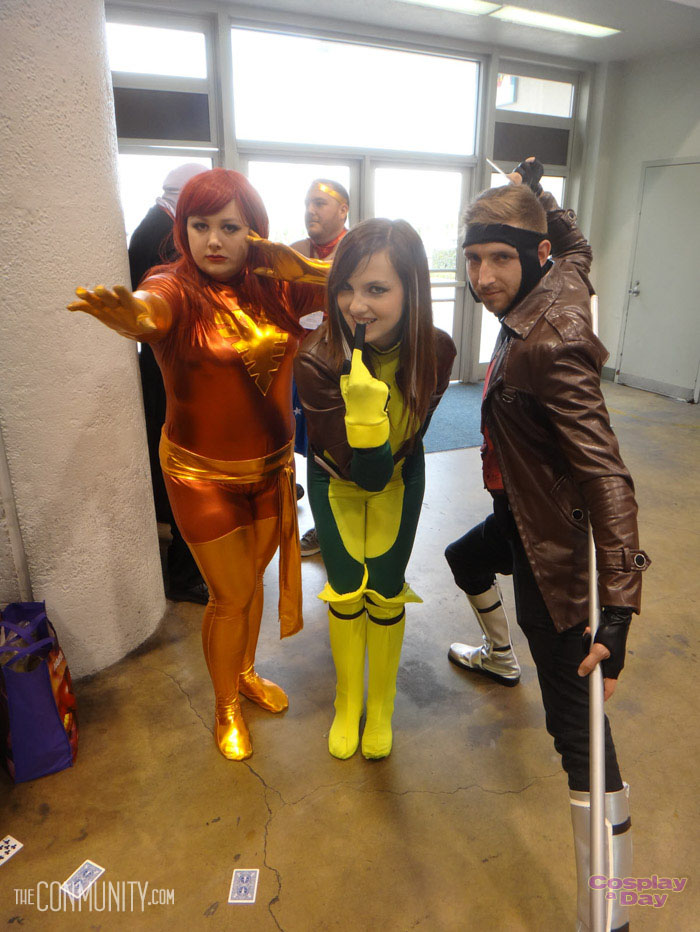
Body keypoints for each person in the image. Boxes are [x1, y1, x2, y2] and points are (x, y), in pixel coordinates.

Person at [443, 158, 650, 931]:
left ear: (530, 260)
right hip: (514, 506)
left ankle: (609, 920)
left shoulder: (552, 343)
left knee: (580, 733)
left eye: (499, 258)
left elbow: (606, 478)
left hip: (551, 550)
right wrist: (538, 193)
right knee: (464, 558)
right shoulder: (566, 275)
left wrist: (619, 610)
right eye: (472, 259)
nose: (483, 276)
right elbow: (576, 241)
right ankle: (498, 657)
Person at [68, 168, 329, 761]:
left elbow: (367, 281)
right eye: (199, 225)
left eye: (230, 226)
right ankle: (225, 706)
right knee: (230, 595)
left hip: (271, 471)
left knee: (251, 585)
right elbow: (150, 310)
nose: (213, 239)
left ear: (254, 231)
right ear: (182, 229)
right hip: (200, 476)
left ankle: (243, 673)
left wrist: (307, 269)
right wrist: (133, 314)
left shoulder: (276, 285)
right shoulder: (174, 286)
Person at [295, 219, 456, 760]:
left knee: (385, 589)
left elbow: (405, 445)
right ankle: (348, 701)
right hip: (336, 481)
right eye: (346, 287)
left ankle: (380, 705)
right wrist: (363, 420)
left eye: (377, 289)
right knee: (345, 589)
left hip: (400, 475)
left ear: (411, 290)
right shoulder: (316, 358)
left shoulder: (437, 350)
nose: (355, 305)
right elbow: (356, 472)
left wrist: (372, 419)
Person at [128, 162, 208, 604]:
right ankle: (184, 571)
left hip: (161, 368)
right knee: (185, 468)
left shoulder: (156, 224)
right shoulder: (163, 235)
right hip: (169, 371)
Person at [291, 179, 350, 557]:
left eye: (320, 204)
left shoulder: (359, 251)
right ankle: (324, 526)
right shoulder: (294, 252)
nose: (311, 210)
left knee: (341, 451)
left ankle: (342, 528)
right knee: (310, 452)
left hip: (344, 368)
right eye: (308, 203)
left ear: (343, 210)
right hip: (302, 365)